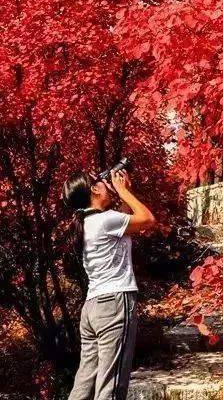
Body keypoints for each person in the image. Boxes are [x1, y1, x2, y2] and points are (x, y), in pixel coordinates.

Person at [63, 165, 155, 400]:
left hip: (93, 308)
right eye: (101, 182)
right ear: (94, 189)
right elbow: (147, 219)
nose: (107, 184)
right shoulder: (105, 221)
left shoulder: (86, 223)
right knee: (110, 387)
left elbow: (124, 222)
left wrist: (124, 193)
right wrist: (123, 191)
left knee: (85, 383)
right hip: (115, 303)